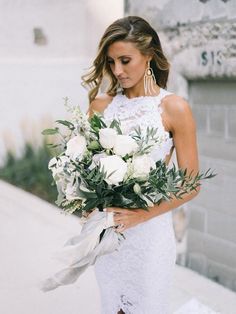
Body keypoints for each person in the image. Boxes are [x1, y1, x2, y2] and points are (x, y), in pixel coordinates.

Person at [82, 16, 200, 314]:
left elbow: (191, 184)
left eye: (125, 60)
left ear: (149, 56)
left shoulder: (174, 107)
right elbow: (85, 167)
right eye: (111, 62)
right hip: (108, 234)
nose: (117, 71)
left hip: (149, 236)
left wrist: (141, 215)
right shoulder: (100, 106)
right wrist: (84, 203)